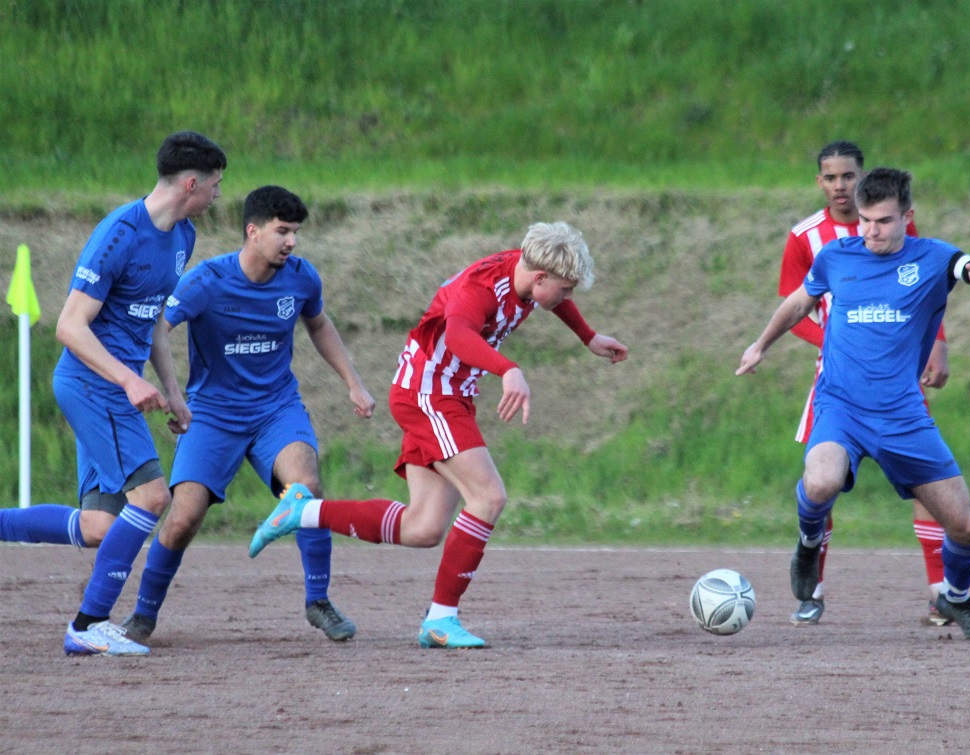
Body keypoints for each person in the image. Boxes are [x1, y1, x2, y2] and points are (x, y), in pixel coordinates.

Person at [248, 221, 628, 649]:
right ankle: (441, 620)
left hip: (445, 394)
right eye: (565, 289)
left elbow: (550, 300)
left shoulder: (526, 275)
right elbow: (459, 335)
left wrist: (589, 337)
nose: (567, 298)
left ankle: (304, 512)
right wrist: (509, 370)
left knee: (423, 527)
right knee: (488, 497)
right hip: (429, 395)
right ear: (539, 277)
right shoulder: (480, 289)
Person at [738, 168, 970, 640]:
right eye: (865, 220)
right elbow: (798, 303)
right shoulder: (836, 256)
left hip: (903, 416)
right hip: (842, 407)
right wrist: (760, 344)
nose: (871, 231)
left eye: (884, 221)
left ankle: (955, 597)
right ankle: (809, 542)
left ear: (907, 217)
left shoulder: (933, 257)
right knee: (821, 480)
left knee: (966, 529)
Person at [117, 186, 375, 646]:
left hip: (276, 408)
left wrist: (352, 382)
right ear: (252, 232)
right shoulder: (206, 281)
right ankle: (143, 615)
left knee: (307, 489)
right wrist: (166, 392)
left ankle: (318, 601)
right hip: (213, 415)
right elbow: (158, 328)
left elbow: (318, 323)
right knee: (182, 519)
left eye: (295, 232)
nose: (292, 241)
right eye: (282, 231)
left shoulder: (301, 278)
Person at [2, 132, 226, 656]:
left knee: (103, 526)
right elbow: (69, 326)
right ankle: (87, 625)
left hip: (117, 389)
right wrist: (128, 379)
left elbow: (151, 325)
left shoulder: (183, 236)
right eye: (215, 185)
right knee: (152, 497)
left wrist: (173, 391)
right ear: (191, 183)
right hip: (92, 384)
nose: (218, 195)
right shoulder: (120, 233)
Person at [779, 140, 957, 626]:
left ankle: (940, 593)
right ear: (820, 181)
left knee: (927, 484)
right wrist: (833, 340)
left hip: (896, 379)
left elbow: (927, 280)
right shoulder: (805, 239)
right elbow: (794, 308)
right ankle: (811, 590)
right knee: (823, 482)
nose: (841, 185)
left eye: (849, 176)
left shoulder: (892, 223)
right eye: (831, 177)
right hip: (835, 382)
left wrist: (937, 343)